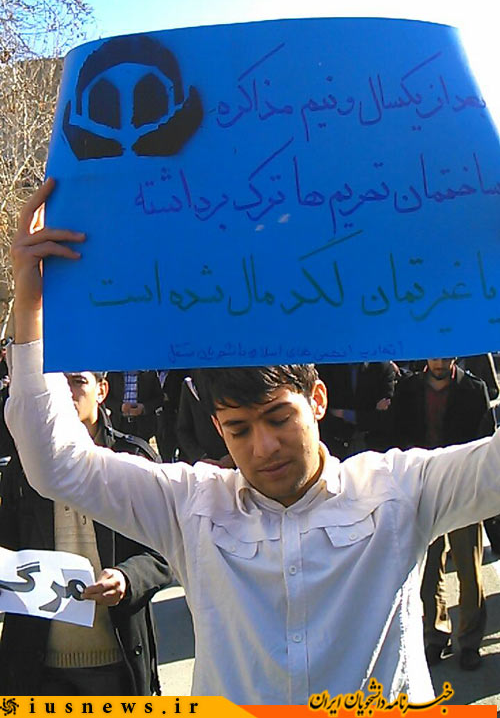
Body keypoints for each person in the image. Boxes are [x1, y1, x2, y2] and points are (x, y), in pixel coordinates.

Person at [6, 179, 500, 705]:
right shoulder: (190, 506)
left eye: (278, 419)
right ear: (218, 428)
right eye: (240, 429)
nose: (264, 448)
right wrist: (31, 305)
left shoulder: (399, 491)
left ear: (317, 399)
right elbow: (55, 463)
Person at [0, 363, 172, 695]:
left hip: (116, 660)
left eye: (78, 382)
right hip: (38, 667)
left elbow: (164, 553)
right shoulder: (24, 468)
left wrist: (127, 578)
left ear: (102, 391)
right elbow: (7, 544)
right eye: (59, 383)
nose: (66, 392)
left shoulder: (132, 458)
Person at [391, 357, 494, 671]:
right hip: (423, 487)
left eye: (445, 356)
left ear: (454, 357)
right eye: (435, 356)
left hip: (464, 488)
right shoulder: (408, 389)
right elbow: (396, 434)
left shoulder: (473, 389)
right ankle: (435, 634)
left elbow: (485, 441)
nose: (439, 362)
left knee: (468, 569)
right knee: (429, 568)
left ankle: (470, 641)